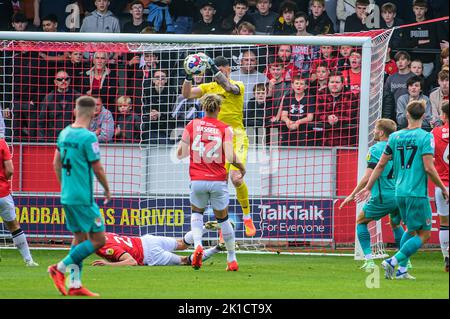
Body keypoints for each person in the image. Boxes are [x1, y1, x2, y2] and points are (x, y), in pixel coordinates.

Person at [356, 100, 449, 280]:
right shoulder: (425, 136)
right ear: (423, 116)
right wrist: (442, 187)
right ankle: (392, 261)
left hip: (399, 192)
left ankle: (402, 271)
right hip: (416, 192)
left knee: (412, 230)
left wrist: (368, 187)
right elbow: (429, 168)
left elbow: (381, 164)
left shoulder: (395, 136)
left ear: (406, 114)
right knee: (424, 234)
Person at [182, 55, 257, 238]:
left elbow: (228, 87)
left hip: (237, 135)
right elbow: (186, 94)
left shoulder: (238, 85)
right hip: (217, 138)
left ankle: (247, 217)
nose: (220, 73)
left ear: (229, 69)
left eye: (224, 69)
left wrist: (213, 67)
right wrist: (188, 75)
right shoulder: (208, 88)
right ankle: (224, 226)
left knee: (236, 178)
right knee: (220, 182)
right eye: (218, 69)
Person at [48, 95, 112, 296]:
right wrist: (107, 189)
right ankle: (58, 268)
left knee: (79, 238)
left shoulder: (64, 133)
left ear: (75, 111)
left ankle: (75, 284)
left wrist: (65, 186)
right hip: (83, 197)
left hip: (67, 195)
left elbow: (56, 163)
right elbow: (98, 167)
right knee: (99, 239)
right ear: (94, 113)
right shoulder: (88, 137)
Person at [177, 94, 245, 271]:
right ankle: (232, 259)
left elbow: (180, 154)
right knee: (223, 220)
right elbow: (230, 156)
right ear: (219, 109)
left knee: (197, 214)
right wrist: (242, 168)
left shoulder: (192, 125)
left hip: (197, 179)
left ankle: (198, 245)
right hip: (217, 180)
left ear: (203, 108)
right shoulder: (225, 128)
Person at [339, 119, 408, 270]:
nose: (373, 131)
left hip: (383, 196)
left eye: (376, 129)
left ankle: (369, 261)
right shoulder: (399, 148)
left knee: (361, 221)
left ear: (382, 132)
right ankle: (405, 260)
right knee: (396, 224)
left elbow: (367, 177)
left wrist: (352, 195)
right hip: (400, 194)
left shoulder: (376, 149)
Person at [92, 226, 224, 266]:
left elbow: (131, 262)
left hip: (149, 255)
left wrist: (108, 264)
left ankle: (217, 248)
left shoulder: (105, 247)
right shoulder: (105, 234)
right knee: (182, 244)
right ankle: (205, 228)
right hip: (148, 240)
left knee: (185, 260)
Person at [0, 138, 38, 266]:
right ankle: (29, 260)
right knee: (14, 226)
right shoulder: (1, 143)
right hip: (2, 193)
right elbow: (10, 170)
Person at [430, 101, 449, 272]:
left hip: (442, 185)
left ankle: (446, 258)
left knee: (444, 223)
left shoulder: (434, 133)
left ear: (443, 116)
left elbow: (429, 158)